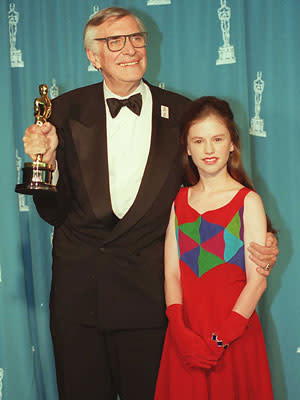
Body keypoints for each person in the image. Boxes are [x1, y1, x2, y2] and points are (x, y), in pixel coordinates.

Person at [22, 7, 278, 400]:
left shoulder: (180, 113)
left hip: (150, 302)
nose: (130, 49)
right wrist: (47, 164)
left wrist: (263, 236)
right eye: (114, 41)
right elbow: (52, 213)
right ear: (93, 56)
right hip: (79, 302)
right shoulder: (63, 111)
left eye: (136, 38)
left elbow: (212, 188)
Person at [154, 96, 274, 399]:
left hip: (234, 338)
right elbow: (171, 273)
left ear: (231, 143)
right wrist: (179, 330)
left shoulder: (249, 201)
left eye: (217, 139)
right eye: (199, 140)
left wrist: (222, 338)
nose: (208, 149)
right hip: (186, 339)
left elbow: (257, 280)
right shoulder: (180, 201)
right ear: (187, 148)